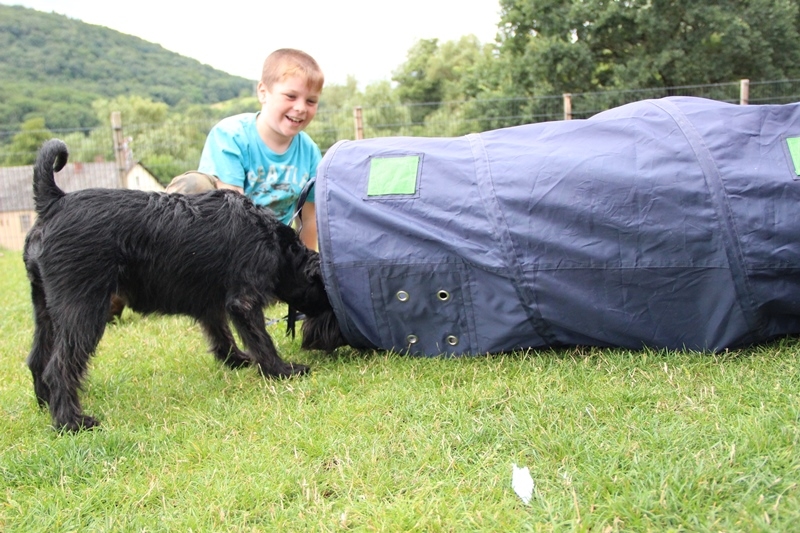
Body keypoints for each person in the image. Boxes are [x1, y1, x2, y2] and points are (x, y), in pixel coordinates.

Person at [167, 48, 324, 249]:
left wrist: (305, 271)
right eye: (291, 96)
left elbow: (309, 219)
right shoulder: (231, 135)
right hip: (221, 242)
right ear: (263, 92)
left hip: (273, 248)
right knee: (193, 184)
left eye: (311, 101)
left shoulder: (310, 152)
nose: (301, 107)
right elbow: (234, 212)